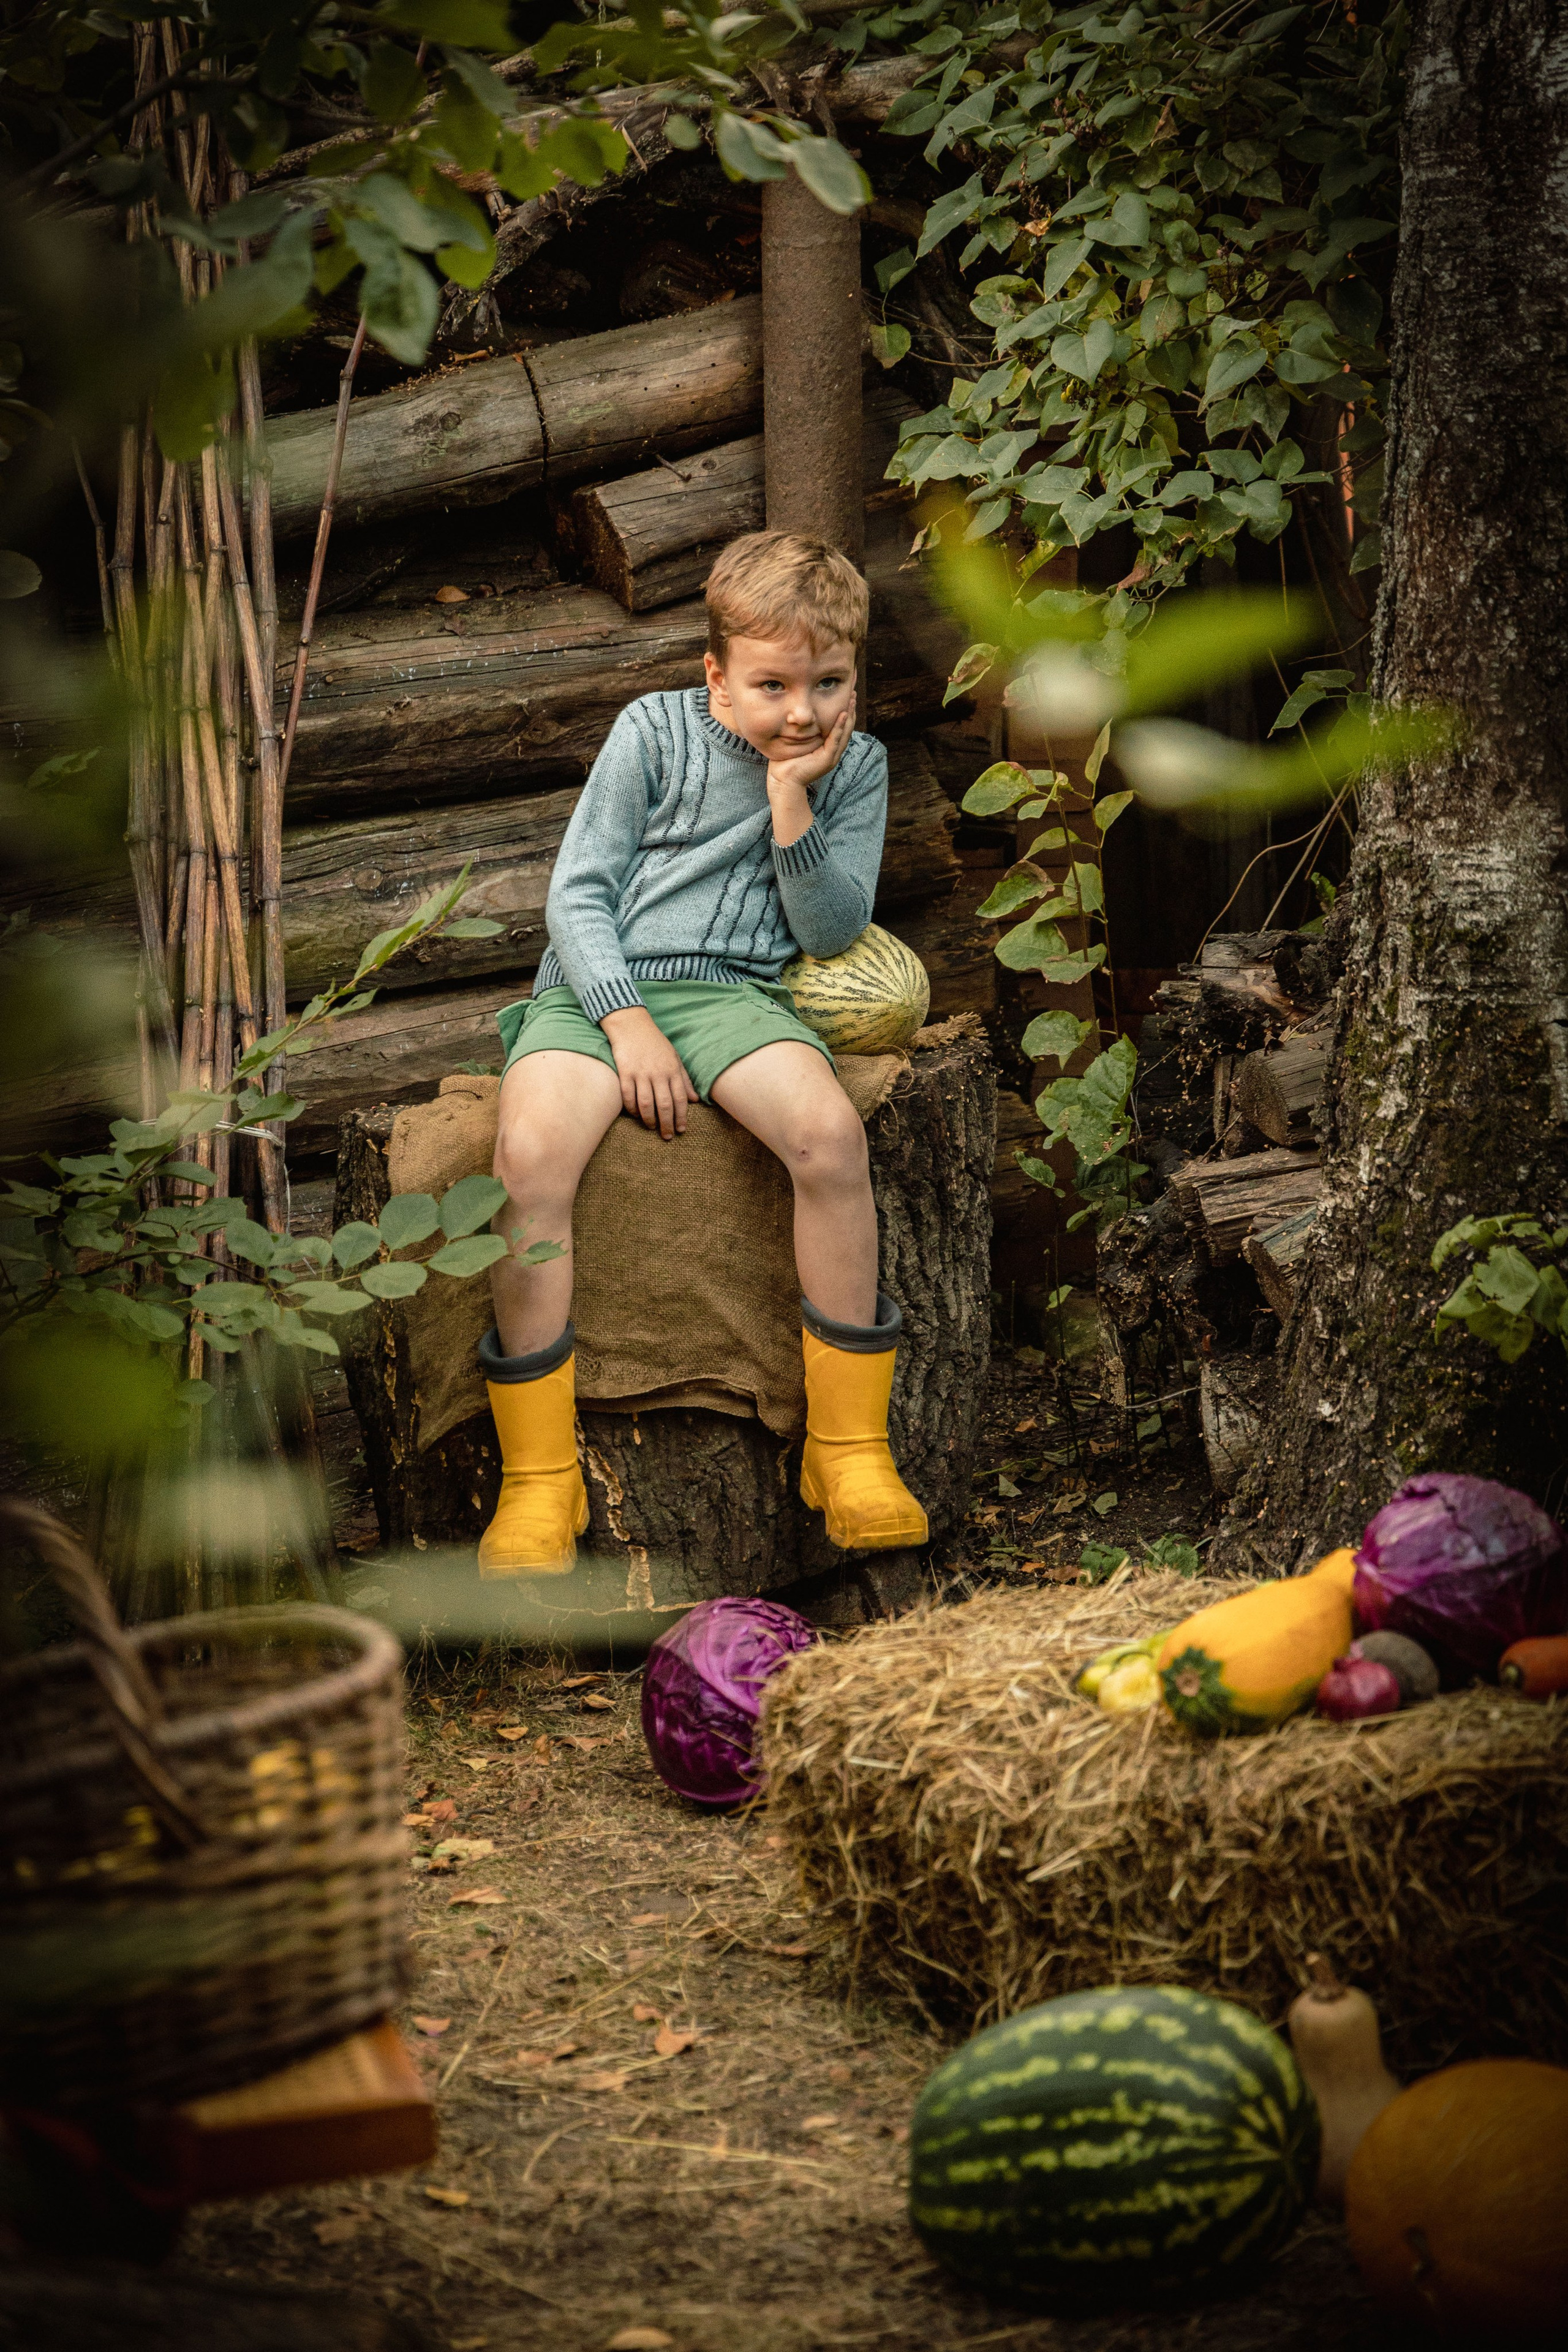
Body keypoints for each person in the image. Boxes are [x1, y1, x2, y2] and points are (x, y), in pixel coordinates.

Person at [477, 529, 928, 1577]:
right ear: (716, 674)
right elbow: (577, 895)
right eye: (773, 685)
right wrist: (624, 1019)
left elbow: (830, 929)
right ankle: (538, 1478)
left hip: (733, 995)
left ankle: (847, 1449)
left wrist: (791, 800)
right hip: (596, 987)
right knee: (530, 1159)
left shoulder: (857, 767)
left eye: (828, 683)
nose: (803, 711)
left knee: (828, 1137)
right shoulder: (651, 732)